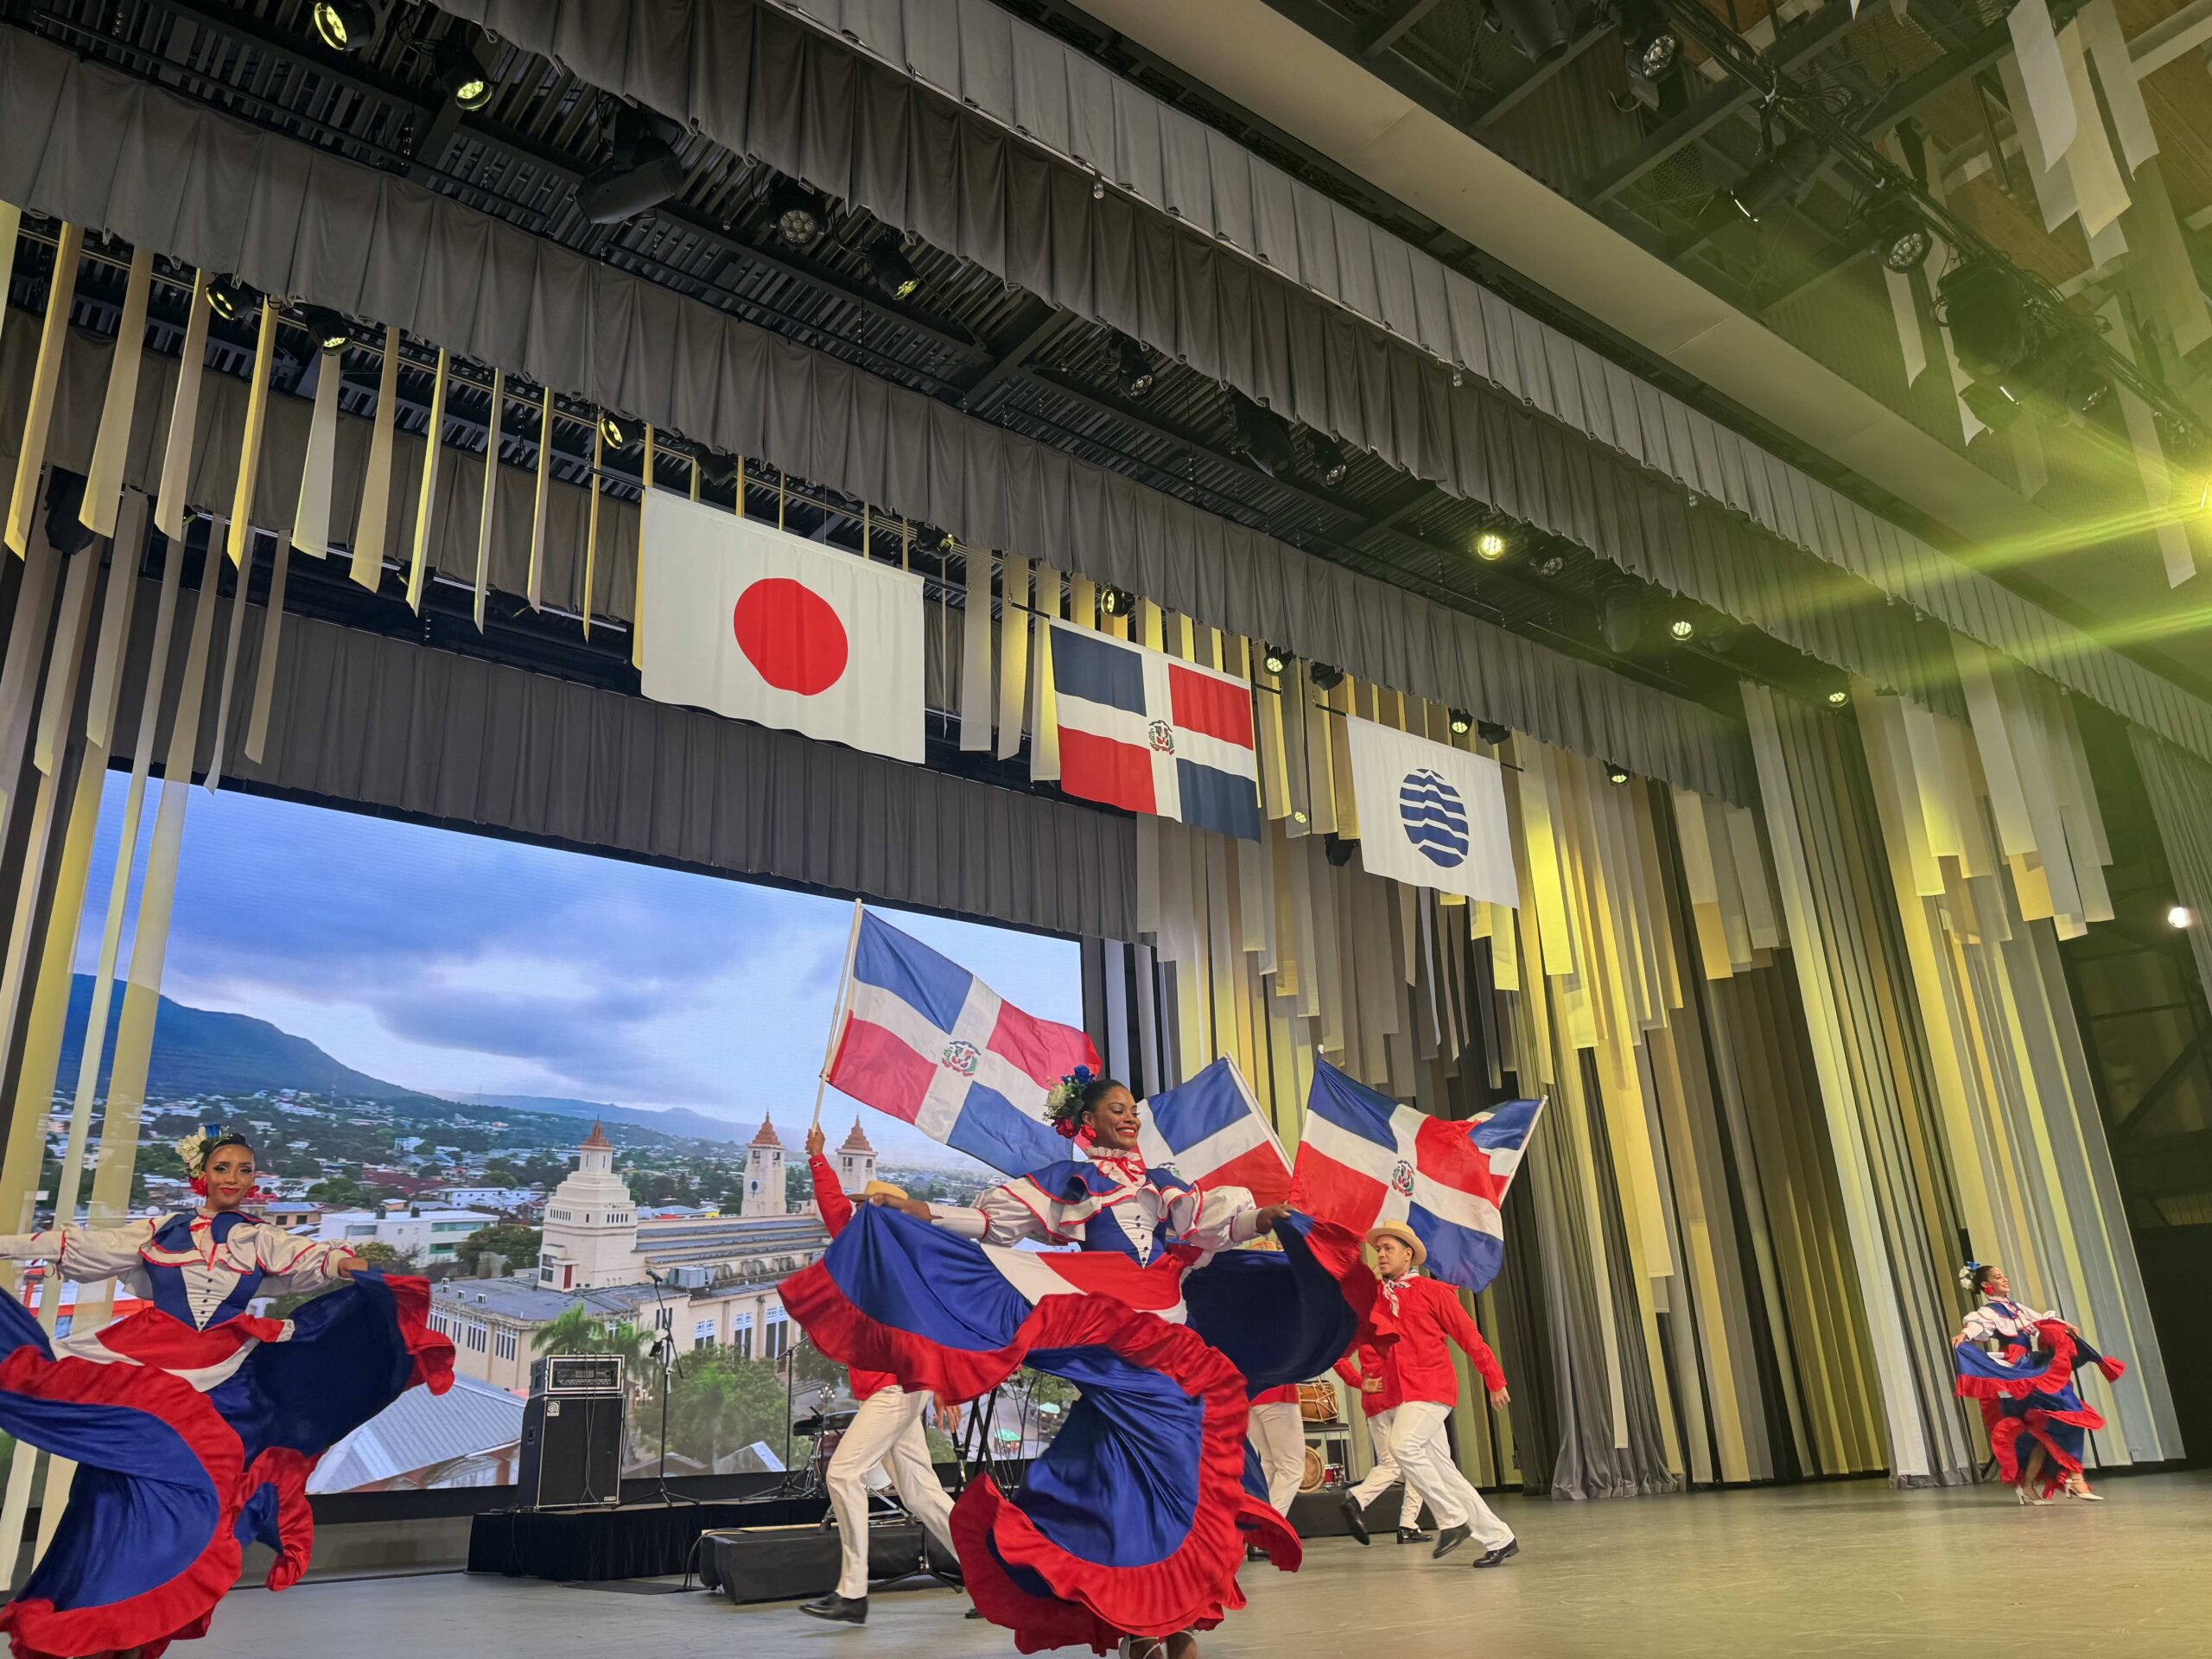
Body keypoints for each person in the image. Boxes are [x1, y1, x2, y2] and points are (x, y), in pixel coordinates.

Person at [783, 1071, 1374, 1659]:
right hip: (1113, 1335)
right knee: (1125, 1483)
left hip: (1173, 1332)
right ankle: (1148, 1625)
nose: (1130, 1117)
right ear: (1088, 1122)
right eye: (1116, 1109)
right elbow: (995, 1224)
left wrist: (1259, 1220)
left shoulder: (1163, 1183)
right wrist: (917, 1209)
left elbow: (1206, 1224)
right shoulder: (1073, 1183)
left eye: (1132, 1109)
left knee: (1183, 1476)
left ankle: (1172, 1619)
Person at [0, 1126, 453, 1659]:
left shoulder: (261, 1239)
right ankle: (94, 1623)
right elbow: (72, 1244)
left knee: (192, 1500)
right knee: (110, 1495)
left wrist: (347, 1265)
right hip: (146, 1361)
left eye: (244, 1169)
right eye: (222, 1168)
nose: (233, 1178)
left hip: (223, 1375)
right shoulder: (159, 1231)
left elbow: (313, 1257)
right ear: (202, 1175)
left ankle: (131, 1624)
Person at [798, 1123, 963, 1625]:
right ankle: (997, 1575)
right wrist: (818, 1159)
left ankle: (852, 1592)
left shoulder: (897, 1268)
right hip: (893, 1392)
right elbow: (835, 1212)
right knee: (922, 1495)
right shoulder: (866, 1257)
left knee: (843, 1473)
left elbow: (931, 1329)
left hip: (897, 1390)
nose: (859, 1217)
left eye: (870, 1210)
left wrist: (943, 1385)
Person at [1361, 1221, 1517, 1567]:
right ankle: (1500, 1538)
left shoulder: (1433, 1291)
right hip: (1405, 1395)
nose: (1381, 1254)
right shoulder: (1378, 1298)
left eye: (1388, 1248)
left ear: (1408, 1254)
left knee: (1403, 1446)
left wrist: (1494, 1379)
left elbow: (1469, 1337)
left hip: (1432, 1388)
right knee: (1444, 1472)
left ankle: (1451, 1519)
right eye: (1379, 1249)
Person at [1952, 1262, 2126, 1505]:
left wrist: (2063, 1326)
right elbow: (1976, 1325)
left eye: (2003, 1275)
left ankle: (2029, 1485)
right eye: (1998, 1277)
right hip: (2017, 1370)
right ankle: (2074, 1478)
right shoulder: (1989, 1312)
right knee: (2067, 1410)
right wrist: (1965, 1334)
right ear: (1986, 1285)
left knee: (2042, 1429)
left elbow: (2040, 1322)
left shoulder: (2017, 1308)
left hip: (2031, 1365)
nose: (2004, 1279)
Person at [1332, 1338, 1427, 1543]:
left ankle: (1357, 1499)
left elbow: (1337, 1357)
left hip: (1374, 1399)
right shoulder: (1399, 1323)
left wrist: (1359, 1382)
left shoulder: (1361, 1326)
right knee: (1415, 1458)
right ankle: (1407, 1524)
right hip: (1401, 1395)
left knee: (1389, 1464)